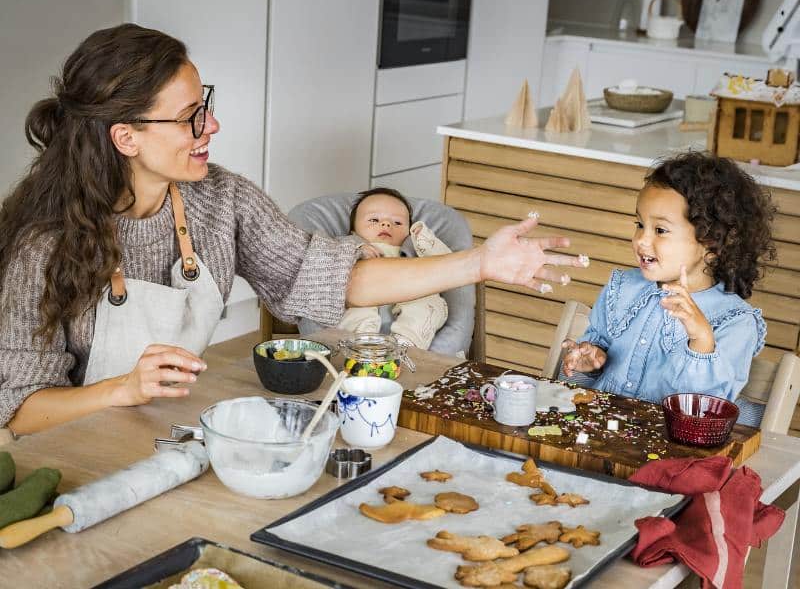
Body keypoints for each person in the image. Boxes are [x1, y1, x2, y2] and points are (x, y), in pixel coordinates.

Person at [0, 24, 589, 436]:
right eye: (190, 118)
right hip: (71, 455)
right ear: (125, 136)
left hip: (167, 429)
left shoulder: (219, 198)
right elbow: (20, 411)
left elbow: (327, 277)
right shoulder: (43, 245)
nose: (213, 125)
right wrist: (125, 389)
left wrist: (479, 263)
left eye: (205, 104)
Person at [560, 151, 776, 425]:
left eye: (660, 230)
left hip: (668, 457)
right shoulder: (621, 289)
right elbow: (591, 357)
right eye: (640, 224)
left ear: (711, 244)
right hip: (598, 435)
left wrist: (701, 340)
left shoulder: (736, 322)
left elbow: (706, 412)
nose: (641, 240)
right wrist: (589, 361)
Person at [338, 187, 451, 350]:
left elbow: (448, 262)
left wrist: (423, 238)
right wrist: (356, 248)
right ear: (354, 230)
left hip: (407, 295)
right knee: (352, 305)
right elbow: (329, 260)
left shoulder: (412, 248)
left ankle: (406, 343)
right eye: (374, 220)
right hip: (363, 296)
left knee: (430, 303)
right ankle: (363, 343)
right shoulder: (350, 243)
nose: (386, 224)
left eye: (397, 222)